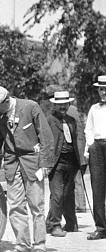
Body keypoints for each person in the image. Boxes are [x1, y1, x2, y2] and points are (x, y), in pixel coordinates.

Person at [0, 86, 54, 252]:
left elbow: (46, 137)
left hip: (33, 164)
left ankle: (39, 244)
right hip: (12, 165)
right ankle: (22, 245)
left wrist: (45, 164)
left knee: (36, 205)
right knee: (15, 205)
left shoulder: (30, 107)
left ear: (6, 101)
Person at [45, 91, 86, 237]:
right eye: (59, 104)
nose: (62, 107)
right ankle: (55, 225)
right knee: (57, 194)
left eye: (65, 104)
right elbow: (44, 141)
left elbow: (79, 139)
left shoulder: (72, 120)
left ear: (69, 104)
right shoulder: (49, 120)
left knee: (69, 193)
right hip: (56, 162)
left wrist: (82, 160)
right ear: (55, 105)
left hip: (71, 161)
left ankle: (70, 222)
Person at [84, 75, 106, 240]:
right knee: (97, 187)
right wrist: (90, 147)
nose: (104, 92)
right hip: (97, 148)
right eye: (101, 89)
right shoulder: (94, 109)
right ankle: (101, 227)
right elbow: (88, 129)